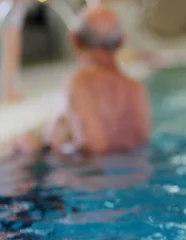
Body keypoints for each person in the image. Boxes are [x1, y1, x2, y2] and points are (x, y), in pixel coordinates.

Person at [13, 4, 151, 155]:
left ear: (74, 40)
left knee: (23, 142)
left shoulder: (79, 83)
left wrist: (38, 152)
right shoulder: (136, 89)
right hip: (138, 171)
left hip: (97, 174)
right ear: (122, 40)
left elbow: (95, 149)